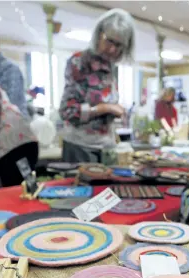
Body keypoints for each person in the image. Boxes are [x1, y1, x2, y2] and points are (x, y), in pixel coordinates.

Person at [59, 9, 135, 163]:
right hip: (80, 147)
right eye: (109, 41)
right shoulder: (79, 62)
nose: (113, 49)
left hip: (106, 148)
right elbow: (68, 112)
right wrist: (105, 108)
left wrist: (116, 110)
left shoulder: (111, 68)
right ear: (99, 34)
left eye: (119, 45)